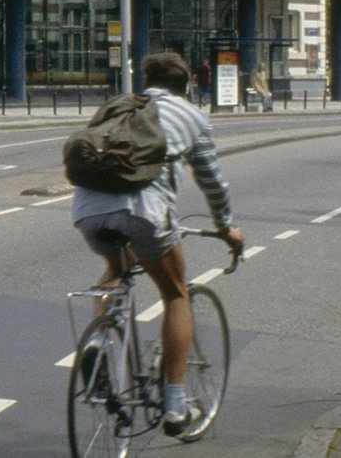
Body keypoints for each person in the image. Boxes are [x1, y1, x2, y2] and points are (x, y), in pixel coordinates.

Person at [73, 51, 245, 440]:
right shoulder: (193, 117)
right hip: (145, 211)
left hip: (88, 209)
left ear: (146, 79)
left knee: (116, 270)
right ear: (187, 84)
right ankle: (174, 402)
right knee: (176, 294)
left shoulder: (118, 106)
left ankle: (99, 339)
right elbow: (212, 181)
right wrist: (227, 227)